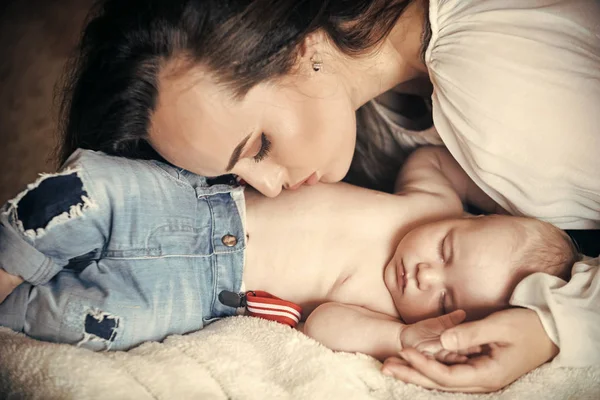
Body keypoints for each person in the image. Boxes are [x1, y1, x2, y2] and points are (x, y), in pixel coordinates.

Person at [53, 0, 600, 391]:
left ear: (305, 51)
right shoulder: (390, 124)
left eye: (261, 145)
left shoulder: (494, 81)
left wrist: (553, 324)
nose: (263, 186)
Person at [0, 146, 576, 359]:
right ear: (472, 217)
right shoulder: (435, 198)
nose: (426, 271)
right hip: (202, 207)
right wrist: (489, 187)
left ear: (454, 319)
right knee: (82, 197)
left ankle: (16, 307)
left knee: (84, 322)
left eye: (445, 296)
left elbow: (323, 326)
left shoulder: (392, 312)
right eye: (449, 249)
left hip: (196, 296)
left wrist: (400, 339)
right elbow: (437, 155)